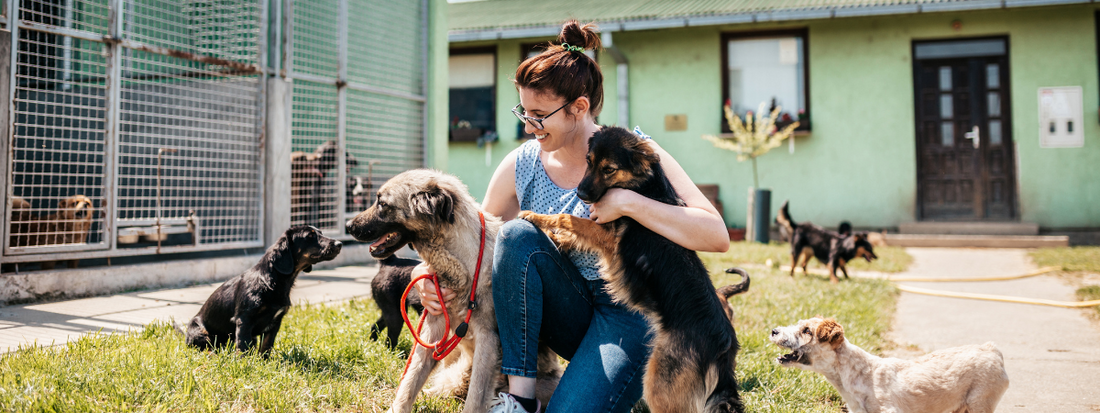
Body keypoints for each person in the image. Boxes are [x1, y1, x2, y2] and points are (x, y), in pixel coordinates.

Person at [411, 20, 730, 413]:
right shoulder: (522, 164)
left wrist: (630, 204)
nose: (527, 125)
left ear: (578, 108)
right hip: (564, 309)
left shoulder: (634, 151)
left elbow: (716, 235)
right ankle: (519, 397)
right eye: (523, 110)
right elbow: (472, 245)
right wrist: (423, 277)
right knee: (515, 235)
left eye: (539, 114)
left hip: (629, 316)